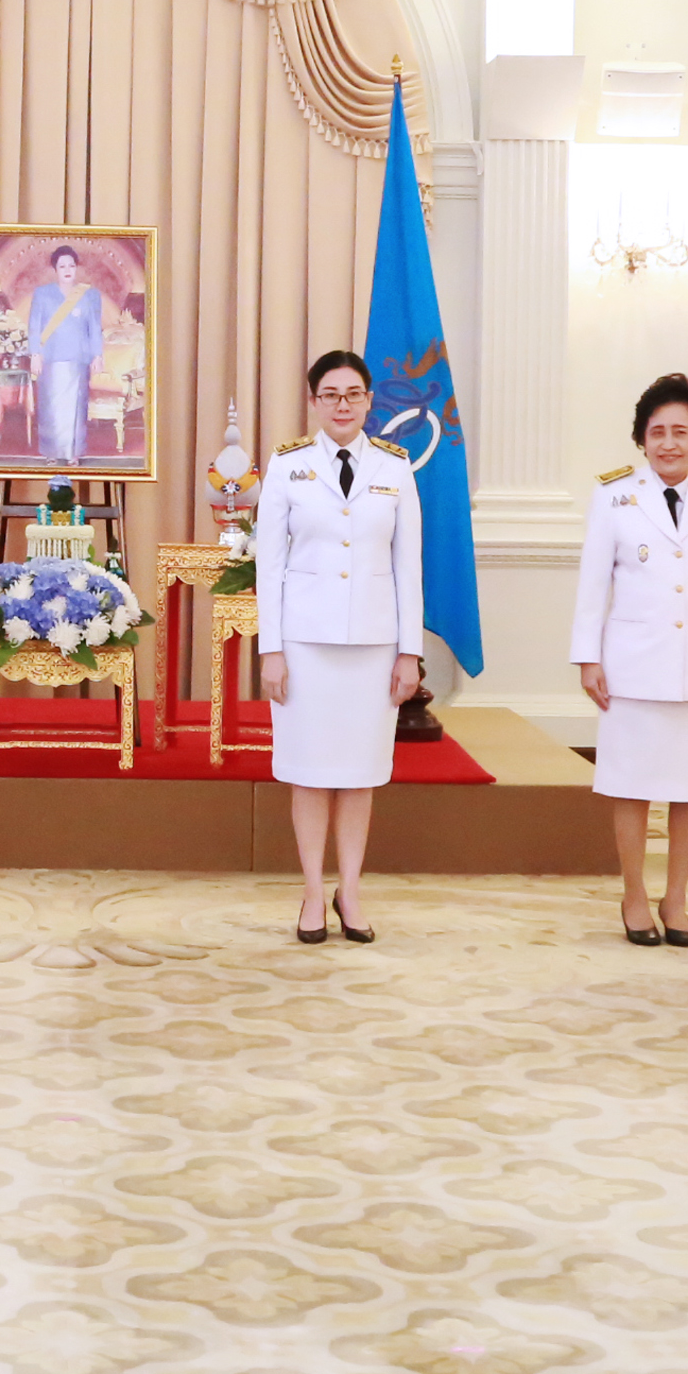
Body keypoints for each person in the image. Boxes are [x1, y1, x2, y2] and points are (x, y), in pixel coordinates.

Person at [570, 374, 688, 948]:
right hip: (632, 667)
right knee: (632, 785)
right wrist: (587, 657)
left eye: (680, 432)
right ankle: (634, 896)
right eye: (657, 432)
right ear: (641, 439)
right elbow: (593, 584)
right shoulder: (614, 496)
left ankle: (676, 899)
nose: (668, 443)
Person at [252, 349, 423, 946]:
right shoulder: (288, 465)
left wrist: (409, 652)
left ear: (369, 401)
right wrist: (271, 649)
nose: (342, 404)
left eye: (353, 394)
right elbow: (269, 566)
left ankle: (349, 890)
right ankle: (310, 891)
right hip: (304, 646)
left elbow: (408, 566)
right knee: (308, 772)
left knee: (358, 774)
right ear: (314, 402)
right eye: (330, 394)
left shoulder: (395, 467)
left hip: (373, 647)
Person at [26, 244, 104, 465]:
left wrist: (97, 355)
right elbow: (34, 326)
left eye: (71, 265)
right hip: (50, 358)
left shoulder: (90, 295)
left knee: (76, 409)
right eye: (62, 266)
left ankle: (74, 453)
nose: (67, 270)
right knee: (50, 408)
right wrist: (35, 354)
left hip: (78, 359)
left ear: (76, 267)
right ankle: (51, 452)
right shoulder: (42, 294)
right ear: (55, 269)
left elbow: (94, 327)